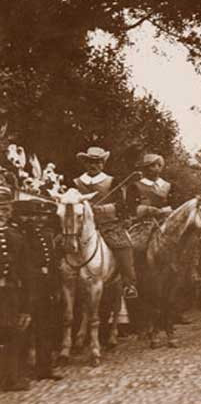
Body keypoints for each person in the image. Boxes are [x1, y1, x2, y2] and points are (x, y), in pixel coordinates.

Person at [73, 147, 138, 299]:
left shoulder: (111, 181)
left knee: (124, 246)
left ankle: (129, 284)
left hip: (107, 224)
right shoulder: (76, 182)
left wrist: (101, 209)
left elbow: (121, 205)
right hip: (79, 225)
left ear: (103, 163)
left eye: (98, 162)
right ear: (85, 163)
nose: (93, 165)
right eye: (90, 162)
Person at [13, 200, 64, 382]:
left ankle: (44, 368)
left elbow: (51, 264)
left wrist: (55, 286)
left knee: (45, 328)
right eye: (29, 215)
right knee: (23, 331)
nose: (35, 219)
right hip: (26, 289)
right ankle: (21, 370)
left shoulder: (43, 233)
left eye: (37, 215)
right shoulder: (19, 234)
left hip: (44, 287)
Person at [0, 186, 32, 392]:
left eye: (6, 209)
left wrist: (27, 306)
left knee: (12, 333)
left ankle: (10, 379)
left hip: (10, 294)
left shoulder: (16, 236)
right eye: (0, 209)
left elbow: (25, 271)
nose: (3, 213)